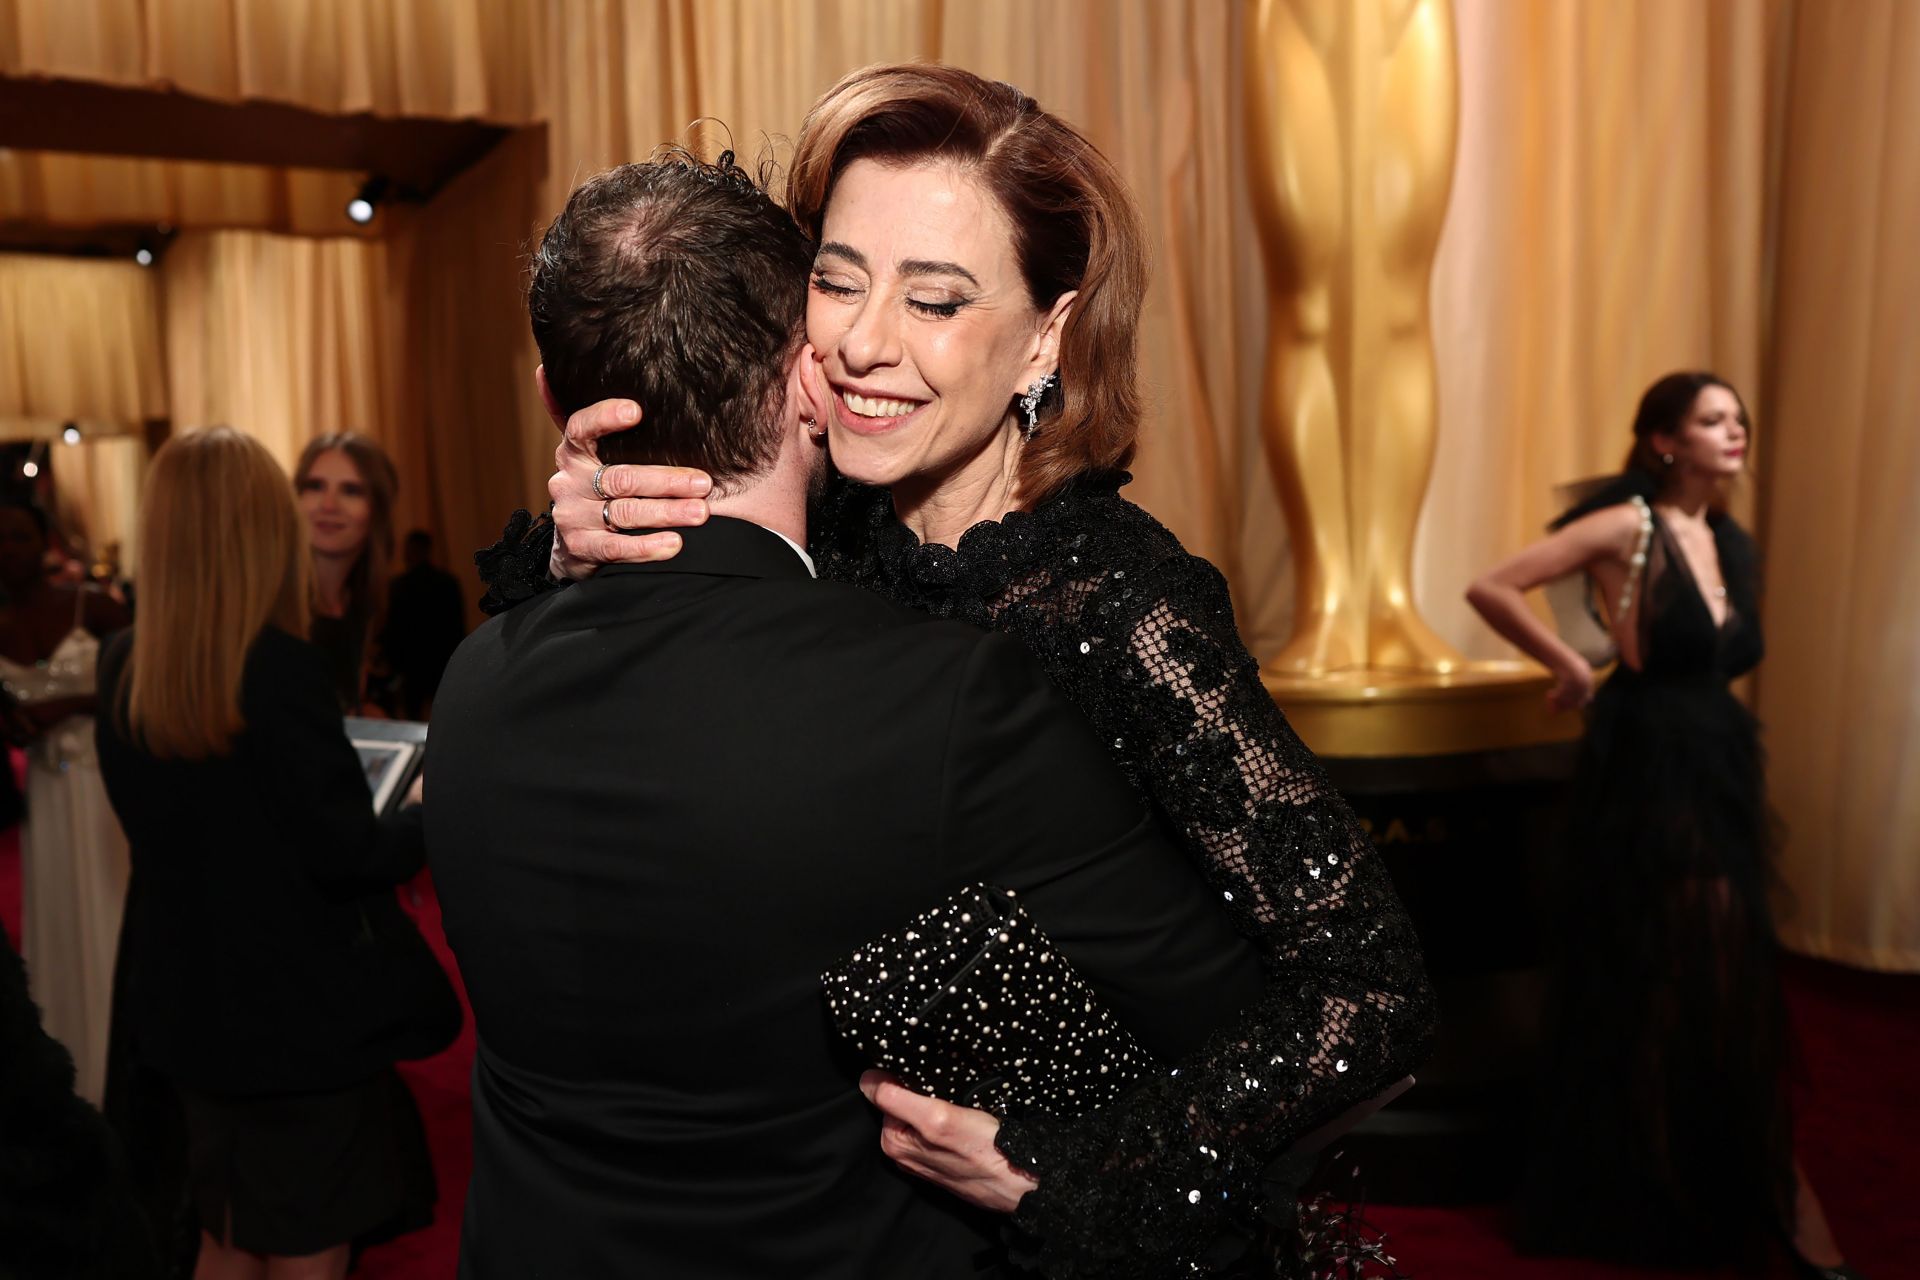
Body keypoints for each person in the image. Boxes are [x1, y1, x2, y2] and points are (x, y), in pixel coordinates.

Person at [484, 64, 1436, 1277]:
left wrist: (1080, 1168)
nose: (866, 344)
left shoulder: (1117, 600)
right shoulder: (821, 544)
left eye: (936, 302)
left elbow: (1373, 991)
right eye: (836, 282)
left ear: (1047, 332)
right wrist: (583, 543)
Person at [1465, 372, 1861, 1279]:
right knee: (1684, 970)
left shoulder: (1730, 540)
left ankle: (1716, 1174)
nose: (1737, 433)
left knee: (1701, 973)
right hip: (1648, 763)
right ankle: (1744, 1187)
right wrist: (1569, 664)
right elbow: (1493, 586)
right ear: (1664, 442)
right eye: (1714, 419)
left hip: (1717, 757)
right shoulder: (1627, 524)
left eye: (1740, 420)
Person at [97, 428, 458, 1280]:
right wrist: (423, 808)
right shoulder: (278, 671)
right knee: (305, 1248)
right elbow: (348, 854)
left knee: (223, 1237)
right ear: (258, 526)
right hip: (299, 1023)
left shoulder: (121, 668)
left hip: (188, 1010)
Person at [0, 498, 131, 1105]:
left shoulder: (94, 607)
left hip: (104, 788)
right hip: (45, 796)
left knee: (112, 908)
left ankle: (124, 1063)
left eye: (20, 537)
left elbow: (145, 689)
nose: (9, 551)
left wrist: (76, 704)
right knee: (56, 915)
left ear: (46, 539)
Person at [293, 433, 398, 713]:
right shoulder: (269, 607)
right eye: (315, 486)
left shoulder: (375, 609)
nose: (328, 506)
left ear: (377, 509)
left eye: (351, 490)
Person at [378, 530, 465, 720]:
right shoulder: (447, 583)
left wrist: (392, 660)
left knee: (414, 714)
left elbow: (394, 628)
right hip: (439, 658)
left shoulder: (400, 585)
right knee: (443, 713)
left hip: (412, 661)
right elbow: (457, 626)